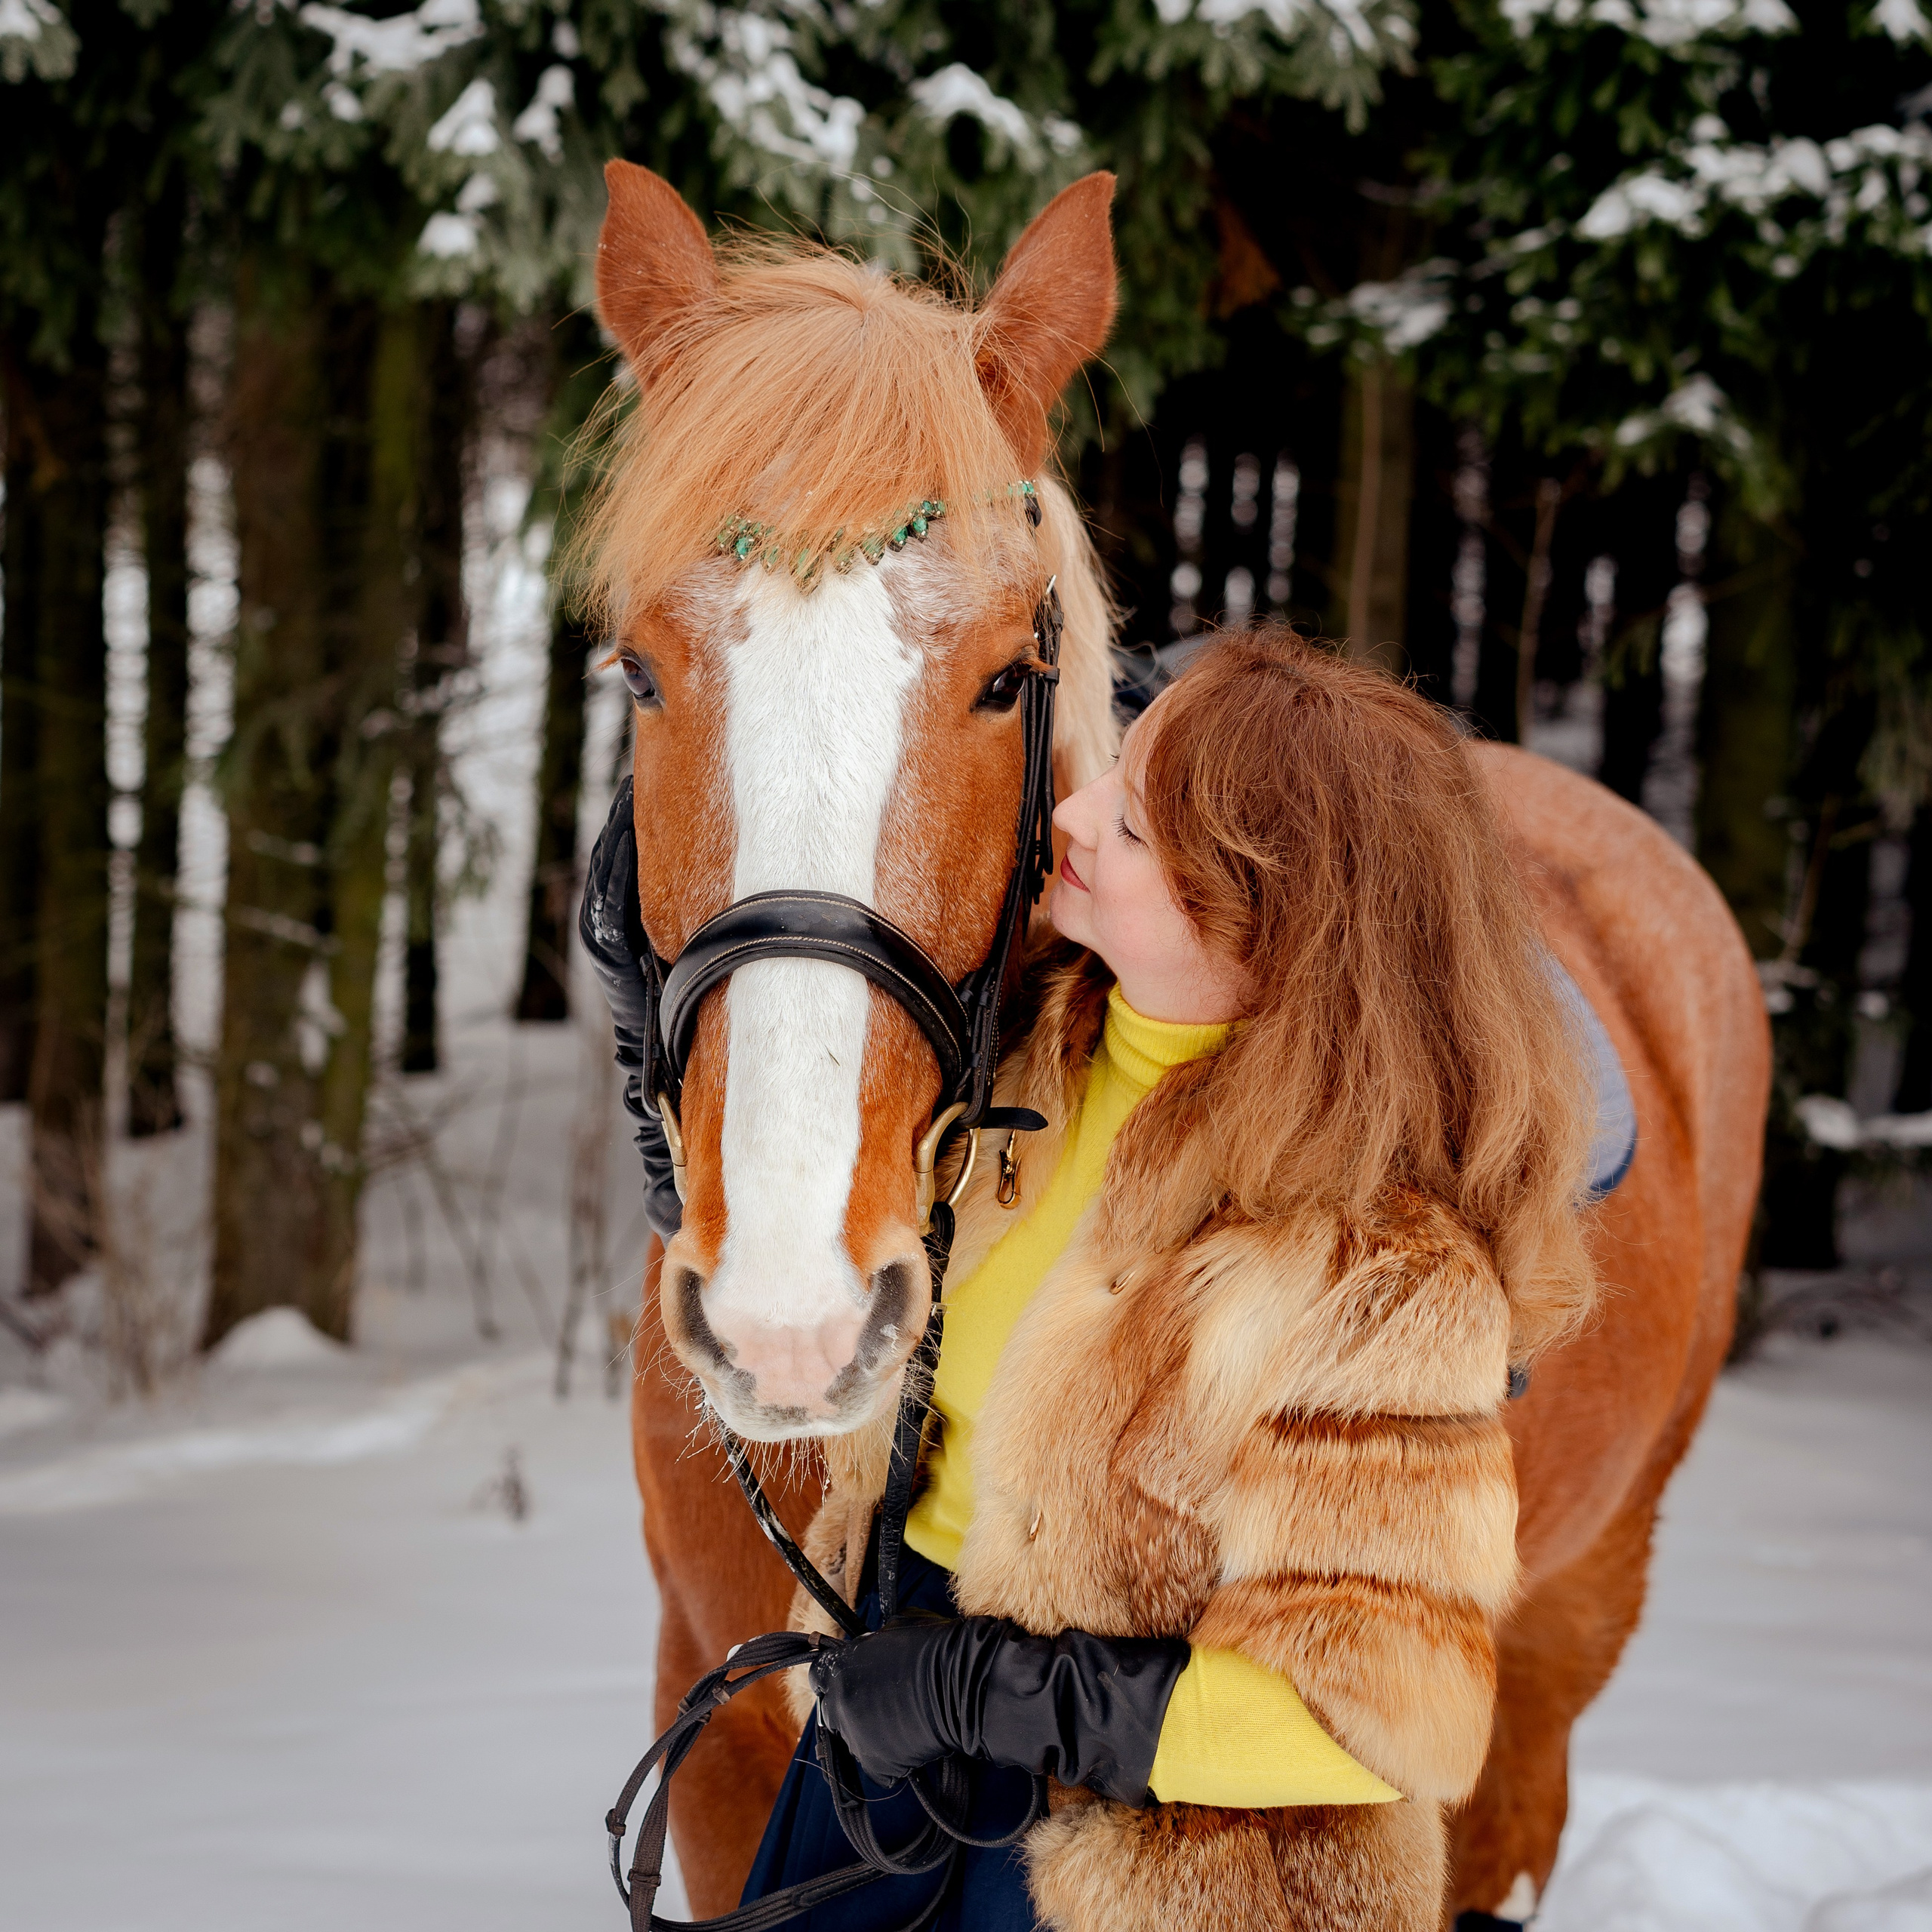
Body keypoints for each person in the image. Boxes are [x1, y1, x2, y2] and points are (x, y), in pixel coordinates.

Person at [732, 629, 1601, 1931]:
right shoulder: (1020, 1058)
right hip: (893, 1761)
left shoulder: (1376, 1274)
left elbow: (1361, 1726)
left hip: (1154, 1876)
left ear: (1264, 911)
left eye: (1132, 826)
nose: (1073, 814)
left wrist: (988, 1694)